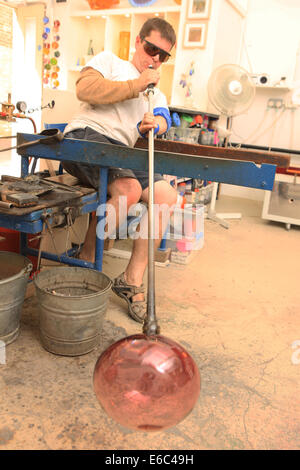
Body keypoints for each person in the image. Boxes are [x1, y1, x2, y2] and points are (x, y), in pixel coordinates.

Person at [62, 17, 178, 324]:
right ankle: (87, 260)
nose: (155, 58)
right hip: (87, 136)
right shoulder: (110, 62)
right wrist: (137, 85)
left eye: (163, 55)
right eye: (152, 49)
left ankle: (130, 279)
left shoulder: (156, 93)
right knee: (128, 190)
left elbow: (167, 117)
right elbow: (85, 89)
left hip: (122, 150)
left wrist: (157, 124)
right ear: (137, 42)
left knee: (166, 195)